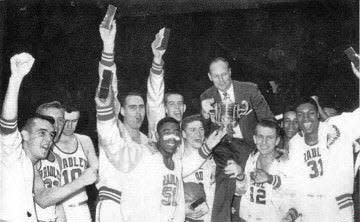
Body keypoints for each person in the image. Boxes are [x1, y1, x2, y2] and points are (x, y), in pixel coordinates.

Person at [95, 67, 226, 222]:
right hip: (114, 203)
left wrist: (208, 146)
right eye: (132, 107)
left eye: (141, 107)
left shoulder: (158, 153)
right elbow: (109, 134)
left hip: (147, 207)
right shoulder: (136, 146)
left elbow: (185, 166)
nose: (138, 112)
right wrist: (103, 107)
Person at [0, 52, 97, 221]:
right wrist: (15, 79)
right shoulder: (12, 155)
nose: (50, 135)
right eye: (42, 132)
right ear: (24, 134)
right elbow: (8, 123)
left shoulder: (34, 163)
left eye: (58, 122)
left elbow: (47, 198)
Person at [200, 57, 274, 222]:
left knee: (245, 185)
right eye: (216, 76)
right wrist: (205, 114)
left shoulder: (249, 90)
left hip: (248, 145)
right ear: (210, 77)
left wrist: (273, 145)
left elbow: (267, 119)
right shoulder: (206, 96)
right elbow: (203, 130)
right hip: (222, 146)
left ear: (230, 72)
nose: (221, 80)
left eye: (224, 74)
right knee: (227, 172)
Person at [285, 92, 360, 221]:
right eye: (300, 115)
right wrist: (292, 213)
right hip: (309, 209)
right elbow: (296, 183)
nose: (306, 118)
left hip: (337, 208)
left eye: (311, 113)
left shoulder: (337, 127)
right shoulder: (295, 143)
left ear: (318, 113)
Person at [49, 103, 98, 222]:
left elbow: (97, 173)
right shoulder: (48, 143)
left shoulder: (84, 141)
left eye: (74, 121)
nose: (70, 126)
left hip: (81, 208)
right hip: (56, 209)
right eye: (66, 121)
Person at [238, 119, 295, 221]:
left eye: (269, 138)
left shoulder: (286, 162)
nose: (264, 142)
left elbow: (296, 194)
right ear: (255, 139)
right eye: (260, 137)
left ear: (277, 140)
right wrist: (240, 177)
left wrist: (270, 178)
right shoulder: (251, 159)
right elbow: (241, 191)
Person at [147, 28, 186, 142]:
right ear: (165, 109)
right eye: (172, 104)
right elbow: (155, 96)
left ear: (184, 108)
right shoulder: (158, 128)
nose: (177, 108)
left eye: (179, 104)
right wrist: (157, 59)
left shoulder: (189, 132)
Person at [181, 115, 217, 222]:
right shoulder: (177, 159)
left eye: (201, 129)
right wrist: (181, 209)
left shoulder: (210, 161)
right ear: (183, 134)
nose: (198, 134)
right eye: (192, 130)